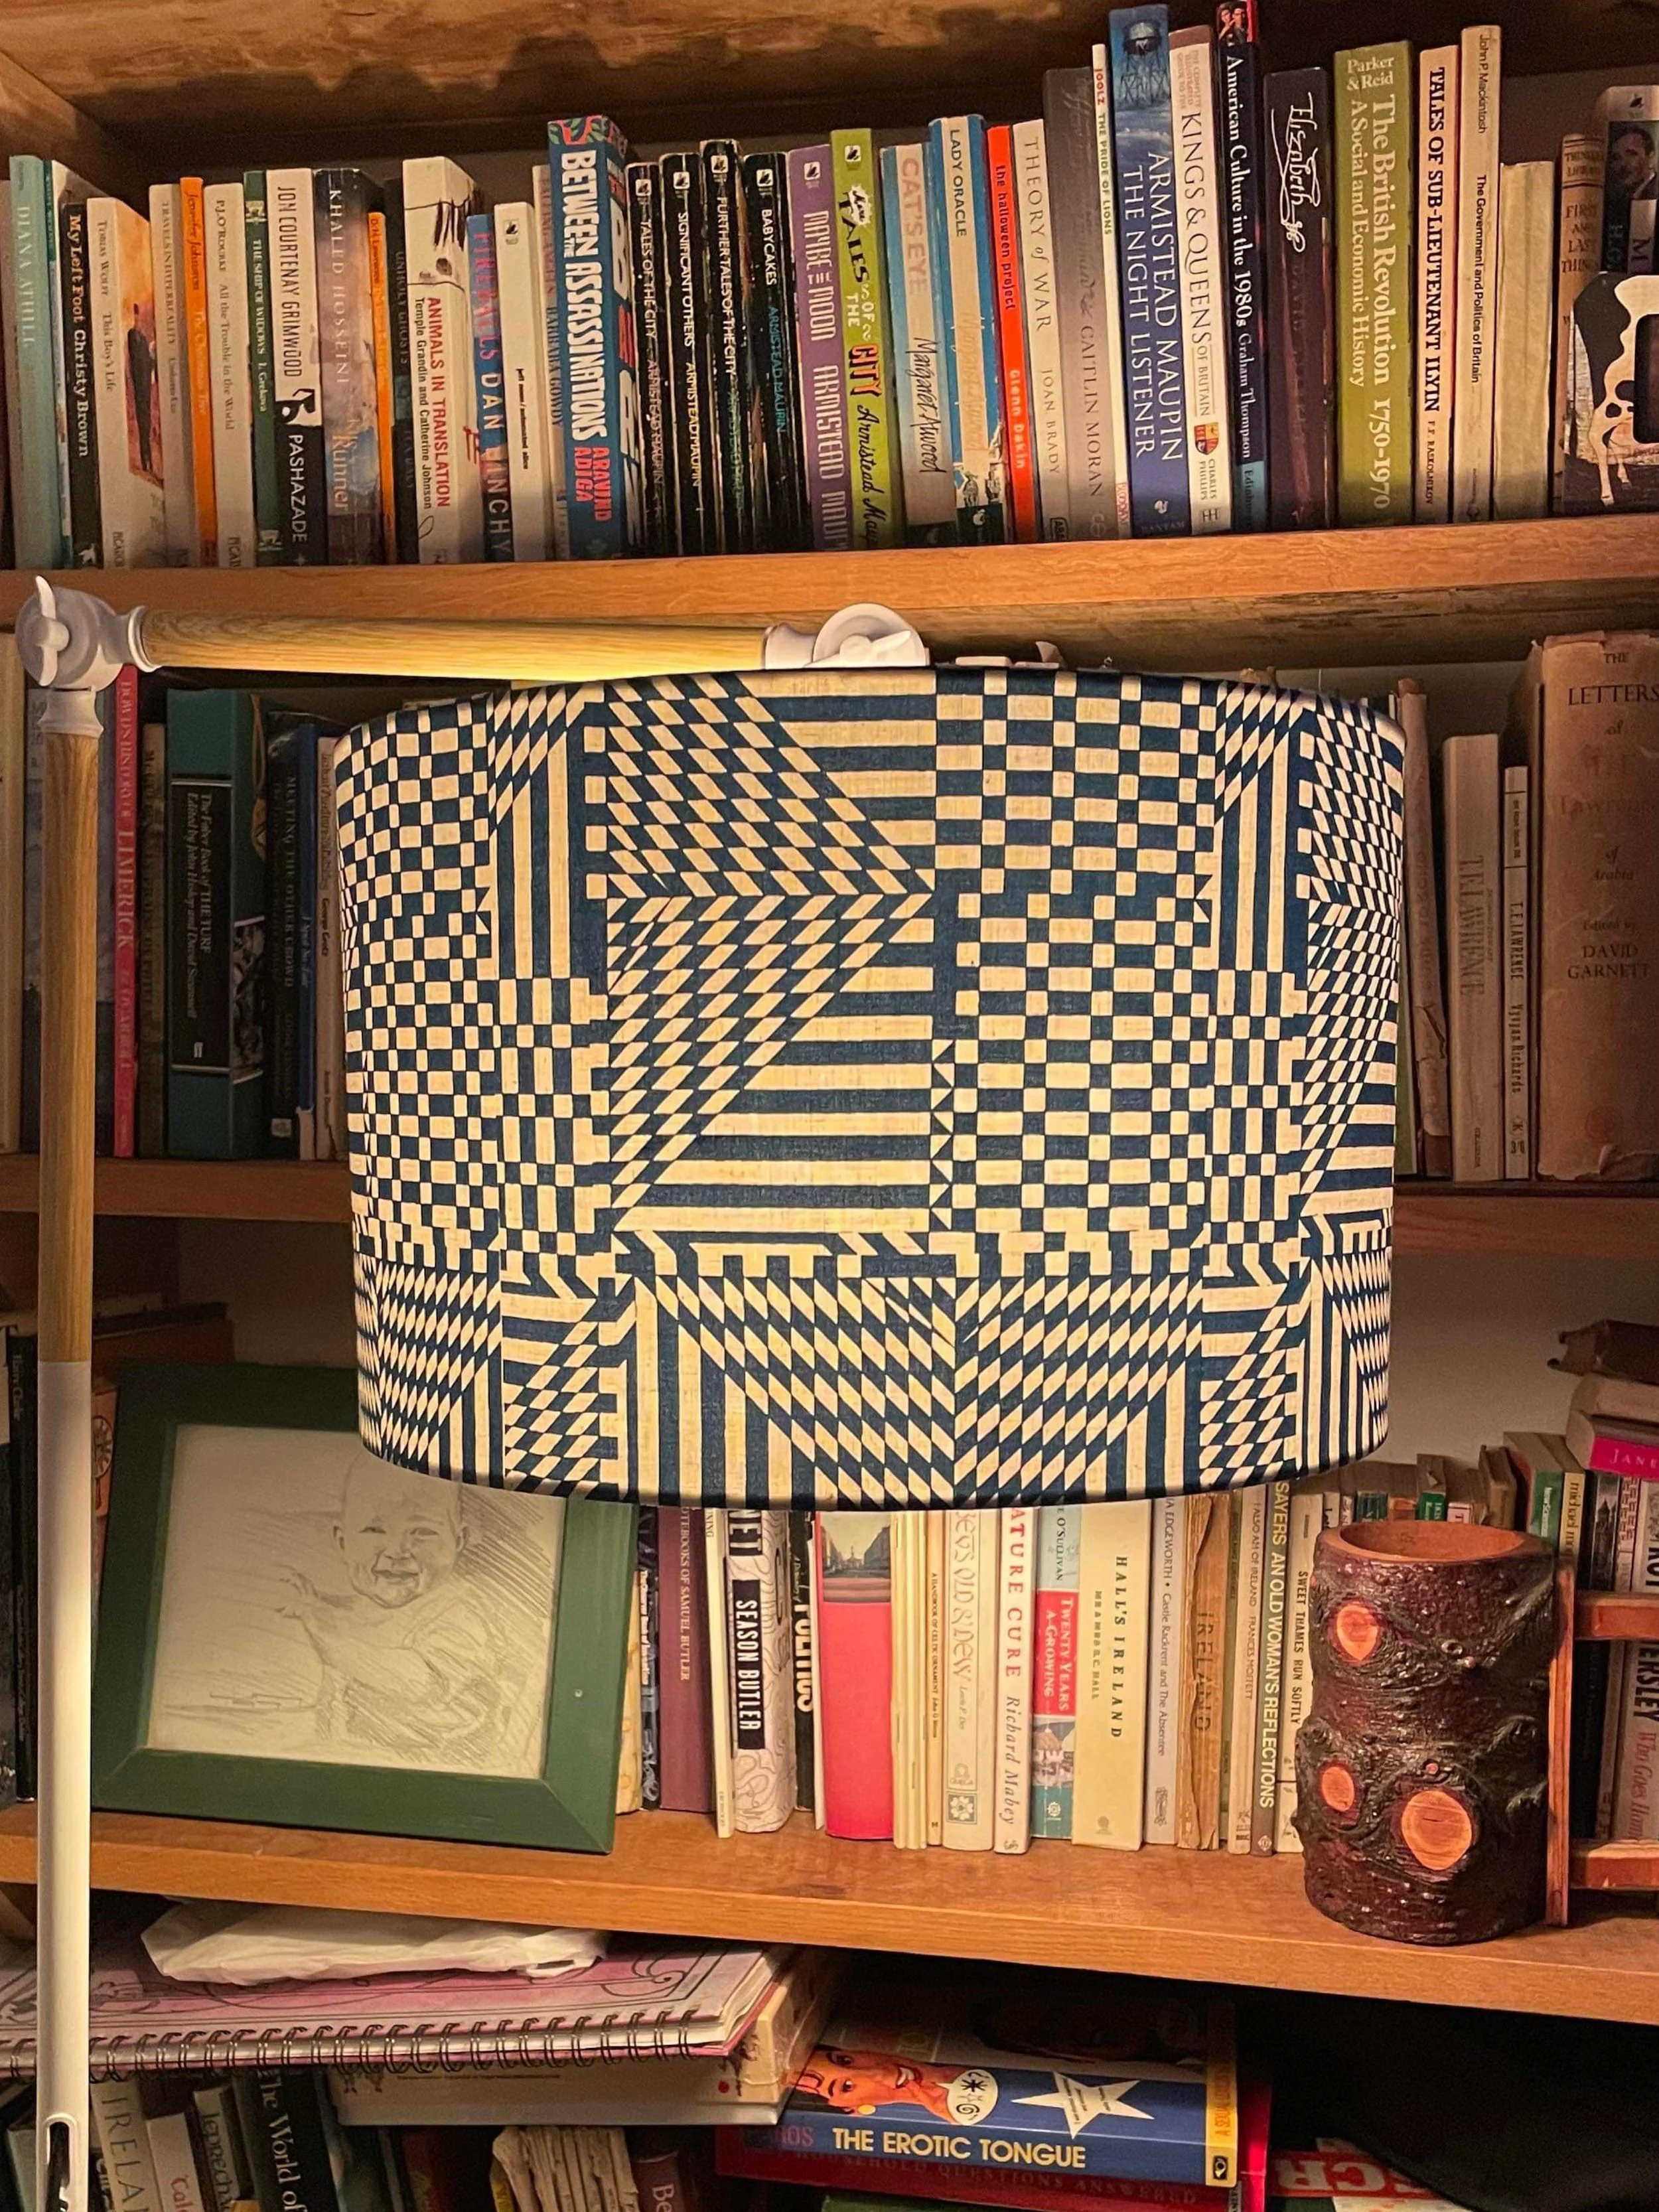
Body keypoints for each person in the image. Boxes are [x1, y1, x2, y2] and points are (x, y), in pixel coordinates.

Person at [278, 1449, 512, 1771]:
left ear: (460, 1540)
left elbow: (418, 1684)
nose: (397, 1551)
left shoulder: (460, 1612)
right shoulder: (358, 1607)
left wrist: (320, 1623)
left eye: (423, 1532)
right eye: (373, 1531)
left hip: (441, 1770)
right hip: (354, 1763)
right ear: (342, 1541)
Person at [126, 304, 157, 477]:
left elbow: (147, 361)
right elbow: (137, 360)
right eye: (135, 316)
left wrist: (152, 357)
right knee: (143, 422)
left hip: (146, 385)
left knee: (147, 422)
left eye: (138, 316)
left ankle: (149, 461)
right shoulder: (133, 336)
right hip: (140, 386)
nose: (137, 320)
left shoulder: (143, 339)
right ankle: (145, 461)